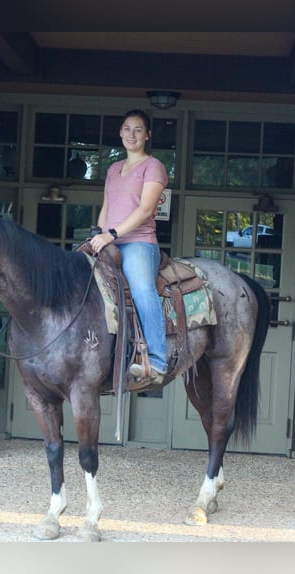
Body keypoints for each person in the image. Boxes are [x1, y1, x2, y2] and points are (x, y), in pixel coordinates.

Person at [89, 109, 168, 384]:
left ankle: (157, 360)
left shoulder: (153, 166)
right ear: (120, 133)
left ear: (147, 135)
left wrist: (111, 234)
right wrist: (96, 235)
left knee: (142, 289)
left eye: (137, 130)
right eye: (126, 129)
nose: (131, 134)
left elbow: (146, 210)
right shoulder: (113, 168)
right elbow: (107, 206)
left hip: (138, 243)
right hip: (108, 240)